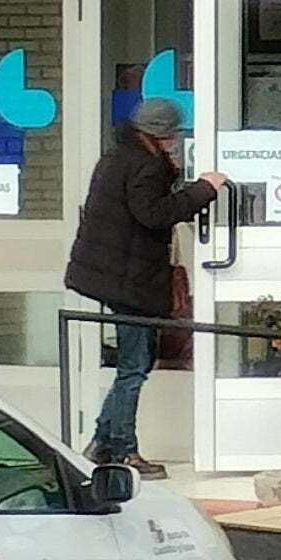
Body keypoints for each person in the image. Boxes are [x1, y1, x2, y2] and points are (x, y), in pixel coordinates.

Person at [64, 89, 220, 475]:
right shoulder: (145, 167)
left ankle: (102, 442)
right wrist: (203, 189)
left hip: (114, 277)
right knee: (134, 366)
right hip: (127, 281)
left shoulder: (116, 158)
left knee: (134, 363)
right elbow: (154, 214)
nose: (176, 141)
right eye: (173, 135)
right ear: (159, 135)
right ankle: (123, 450)